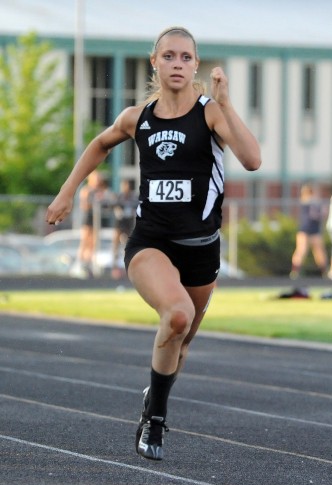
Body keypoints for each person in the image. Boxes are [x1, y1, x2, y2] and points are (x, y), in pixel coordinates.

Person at [46, 26, 261, 460]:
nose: (177, 64)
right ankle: (156, 419)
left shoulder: (210, 113)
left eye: (185, 57)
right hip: (150, 243)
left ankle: (153, 397)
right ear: (155, 63)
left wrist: (227, 104)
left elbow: (253, 161)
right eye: (169, 56)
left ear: (195, 65)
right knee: (177, 316)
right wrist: (67, 191)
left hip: (202, 247)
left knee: (180, 345)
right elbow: (100, 143)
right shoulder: (137, 117)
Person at [74, 170, 114, 277]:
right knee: (85, 240)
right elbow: (84, 205)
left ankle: (90, 264)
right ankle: (80, 264)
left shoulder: (101, 190)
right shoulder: (87, 190)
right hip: (88, 217)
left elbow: (109, 199)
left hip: (97, 219)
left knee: (94, 242)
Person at [290, 183, 328, 279]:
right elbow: (314, 215)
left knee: (318, 252)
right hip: (306, 230)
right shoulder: (309, 203)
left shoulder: (310, 203)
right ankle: (295, 272)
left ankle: (324, 272)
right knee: (302, 251)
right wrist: (322, 213)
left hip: (312, 230)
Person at [111, 179, 138, 279]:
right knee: (116, 242)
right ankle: (115, 264)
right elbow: (114, 205)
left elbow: (136, 206)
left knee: (129, 242)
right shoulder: (119, 197)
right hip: (120, 223)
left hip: (129, 223)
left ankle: (128, 263)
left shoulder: (133, 197)